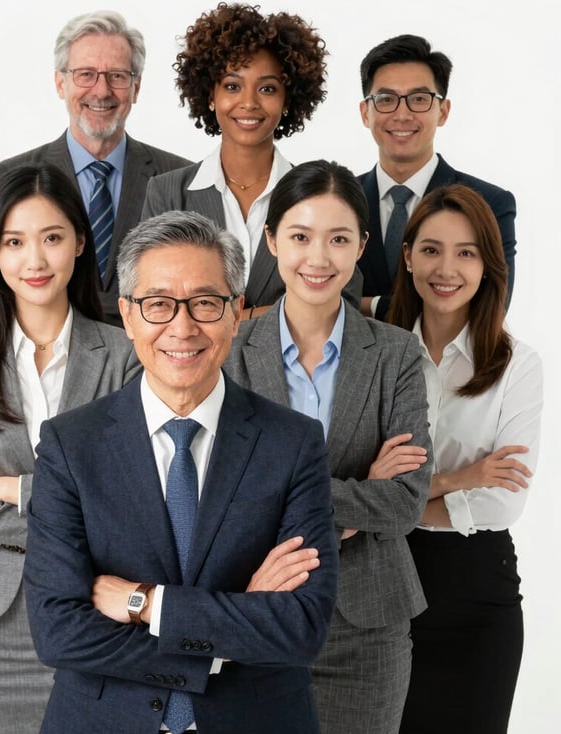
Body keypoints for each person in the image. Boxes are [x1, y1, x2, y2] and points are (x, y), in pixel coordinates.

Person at [24, 210, 339, 733]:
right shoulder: (69, 444)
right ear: (127, 315)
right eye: (158, 304)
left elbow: (301, 627)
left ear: (236, 312)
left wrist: (146, 604)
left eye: (206, 302)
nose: (183, 326)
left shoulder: (293, 442)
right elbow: (59, 631)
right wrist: (226, 634)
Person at [0, 164, 141, 732]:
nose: (34, 261)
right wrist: (72, 515)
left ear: (81, 243)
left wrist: (8, 487)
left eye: (52, 238)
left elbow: (134, 499)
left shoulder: (123, 355)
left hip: (94, 620)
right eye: (14, 242)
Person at [224, 160, 432, 734]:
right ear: (270, 239)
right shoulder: (231, 352)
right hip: (255, 611)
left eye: (339, 239)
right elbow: (225, 495)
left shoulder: (395, 355)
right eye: (299, 236)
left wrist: (290, 500)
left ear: (362, 246)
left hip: (367, 630)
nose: (318, 259)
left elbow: (407, 502)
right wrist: (360, 491)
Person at [386, 184, 543, 734]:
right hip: (384, 588)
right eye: (430, 249)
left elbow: (502, 503)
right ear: (407, 258)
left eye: (466, 252)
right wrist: (460, 479)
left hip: (478, 595)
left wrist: (394, 500)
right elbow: (346, 480)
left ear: (487, 265)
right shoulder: (377, 352)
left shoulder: (517, 365)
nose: (445, 268)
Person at [143, 2, 361, 318]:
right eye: (232, 86)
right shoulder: (167, 193)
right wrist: (280, 312)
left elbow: (344, 305)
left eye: (267, 88)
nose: (248, 103)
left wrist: (229, 316)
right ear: (209, 94)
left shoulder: (321, 195)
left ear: (288, 99)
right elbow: (152, 299)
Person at [0, 10, 191, 325]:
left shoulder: (178, 178)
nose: (101, 91)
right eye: (86, 74)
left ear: (136, 88)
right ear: (60, 83)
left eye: (117, 76)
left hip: (149, 359)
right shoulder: (10, 176)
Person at [357, 34, 516, 321]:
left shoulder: (491, 203)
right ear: (365, 113)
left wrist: (370, 305)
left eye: (419, 99)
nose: (402, 114)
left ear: (443, 111)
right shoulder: (340, 201)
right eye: (386, 99)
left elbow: (490, 306)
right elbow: (317, 303)